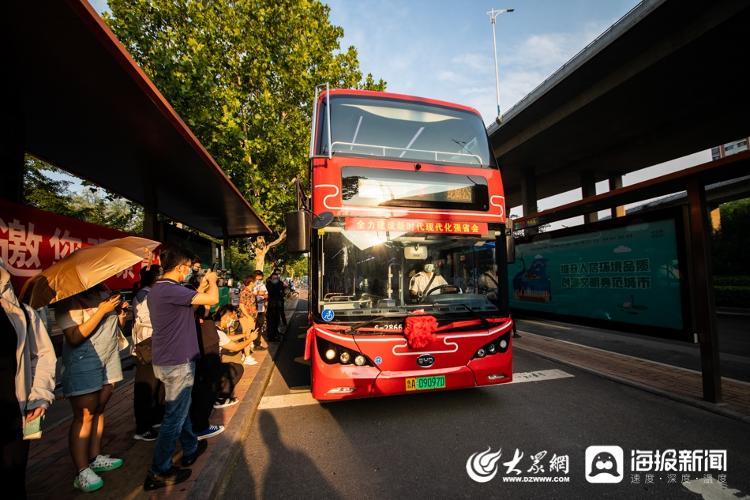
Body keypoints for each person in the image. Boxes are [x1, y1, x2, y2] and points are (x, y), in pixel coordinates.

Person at [143, 247, 218, 491]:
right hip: (178, 363)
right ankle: (158, 470)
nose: (189, 271)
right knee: (173, 418)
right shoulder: (172, 290)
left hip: (166, 361)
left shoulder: (160, 290)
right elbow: (212, 300)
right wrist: (213, 282)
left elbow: (193, 300)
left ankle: (190, 447)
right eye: (188, 267)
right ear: (180, 268)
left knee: (180, 410)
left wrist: (203, 285)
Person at [56, 282, 129, 493]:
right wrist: (102, 310)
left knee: (99, 409)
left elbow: (117, 328)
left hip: (109, 357)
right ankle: (82, 470)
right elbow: (74, 337)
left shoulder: (105, 291)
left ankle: (95, 457)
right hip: (83, 361)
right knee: (84, 416)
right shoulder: (67, 300)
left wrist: (119, 312)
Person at [1, 260, 56, 498]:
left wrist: (40, 395)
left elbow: (43, 354)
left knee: (13, 481)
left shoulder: (20, 312)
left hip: (15, 413)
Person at [131, 265, 164, 442]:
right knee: (146, 387)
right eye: (160, 275)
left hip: (157, 344)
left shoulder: (151, 293)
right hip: (147, 346)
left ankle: (156, 418)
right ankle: (143, 427)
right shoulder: (144, 295)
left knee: (158, 383)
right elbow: (147, 319)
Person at [213, 305, 255, 408]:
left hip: (210, 365)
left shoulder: (214, 328)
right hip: (212, 368)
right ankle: (221, 398)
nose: (233, 321)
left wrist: (243, 335)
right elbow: (235, 347)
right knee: (237, 368)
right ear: (226, 317)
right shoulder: (217, 332)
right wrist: (250, 339)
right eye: (232, 318)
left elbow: (227, 338)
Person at [265, 271, 285, 342]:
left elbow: (282, 292)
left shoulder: (280, 283)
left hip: (278, 304)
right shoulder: (269, 284)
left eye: (276, 278)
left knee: (277, 320)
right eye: (273, 278)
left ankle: (276, 333)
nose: (275, 279)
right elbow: (270, 292)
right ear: (271, 278)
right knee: (271, 321)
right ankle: (271, 336)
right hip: (271, 305)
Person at [251, 270, 268, 344]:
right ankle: (251, 343)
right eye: (258, 278)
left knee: (259, 325)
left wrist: (263, 295)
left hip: (261, 308)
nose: (259, 280)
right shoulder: (249, 284)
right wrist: (258, 293)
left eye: (260, 279)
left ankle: (257, 342)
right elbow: (248, 294)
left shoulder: (262, 285)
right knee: (252, 327)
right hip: (252, 310)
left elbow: (266, 295)